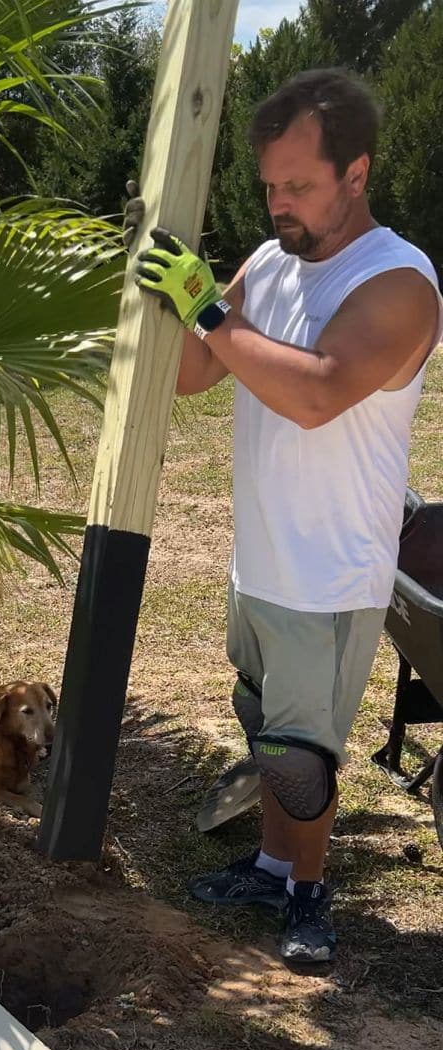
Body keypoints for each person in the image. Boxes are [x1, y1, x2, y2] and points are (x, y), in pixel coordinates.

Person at [124, 68, 443, 966]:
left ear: (357, 172)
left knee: (303, 760)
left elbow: (318, 394)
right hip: (261, 559)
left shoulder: (398, 282)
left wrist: (212, 309)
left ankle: (309, 893)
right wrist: (159, 301)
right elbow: (198, 371)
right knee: (266, 725)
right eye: (269, 186)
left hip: (330, 573)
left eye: (299, 185)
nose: (278, 205)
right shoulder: (268, 264)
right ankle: (271, 866)